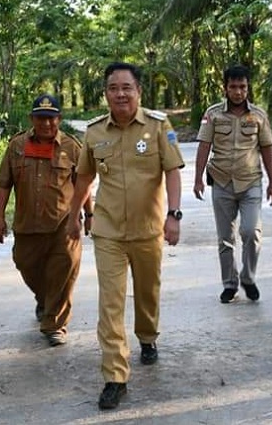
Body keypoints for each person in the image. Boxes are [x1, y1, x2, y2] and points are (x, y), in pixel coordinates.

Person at [66, 62, 184, 410]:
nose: (120, 93)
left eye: (126, 87)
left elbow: (173, 172)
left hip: (148, 229)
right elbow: (84, 179)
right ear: (106, 93)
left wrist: (173, 215)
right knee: (111, 303)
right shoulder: (94, 132)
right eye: (113, 88)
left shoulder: (159, 126)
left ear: (138, 91)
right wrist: (74, 216)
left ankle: (147, 336)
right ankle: (115, 376)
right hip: (108, 231)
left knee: (148, 291)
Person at [0, 94, 92, 347]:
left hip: (63, 223)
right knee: (25, 264)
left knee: (65, 265)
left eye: (51, 119)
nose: (46, 124)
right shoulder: (16, 146)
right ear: (32, 119)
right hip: (27, 225)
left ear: (59, 119)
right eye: (41, 118)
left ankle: (54, 324)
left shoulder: (71, 147)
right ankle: (45, 298)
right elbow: (4, 183)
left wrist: (89, 215)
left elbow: (82, 184)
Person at [193, 64, 272, 304]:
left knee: (252, 232)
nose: (238, 92)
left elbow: (268, 148)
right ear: (225, 88)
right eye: (233, 87)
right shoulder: (213, 114)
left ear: (248, 87)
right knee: (225, 238)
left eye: (242, 87)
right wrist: (198, 178)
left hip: (251, 182)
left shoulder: (259, 115)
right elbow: (204, 146)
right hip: (221, 181)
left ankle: (248, 277)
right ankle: (230, 284)